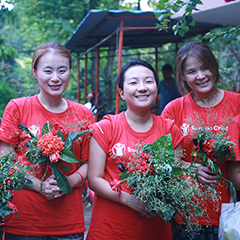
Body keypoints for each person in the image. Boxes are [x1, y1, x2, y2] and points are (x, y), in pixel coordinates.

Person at [0, 42, 94, 240]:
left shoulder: (83, 114)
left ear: (70, 71)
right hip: (23, 222)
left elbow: (88, 163)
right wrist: (38, 185)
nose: (55, 78)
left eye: (62, 70)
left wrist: (68, 181)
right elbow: (4, 163)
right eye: (48, 70)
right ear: (35, 72)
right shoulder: (17, 108)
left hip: (67, 222)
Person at [86, 59, 183, 240]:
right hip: (108, 232)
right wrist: (128, 199)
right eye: (133, 82)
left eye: (148, 81)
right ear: (121, 93)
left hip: (156, 232)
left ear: (156, 87)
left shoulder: (170, 130)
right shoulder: (105, 127)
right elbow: (94, 180)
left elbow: (175, 179)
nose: (142, 87)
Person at [161, 41, 240, 239]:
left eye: (205, 67)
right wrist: (190, 167)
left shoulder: (236, 103)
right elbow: (162, 159)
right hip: (188, 214)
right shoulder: (174, 109)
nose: (201, 76)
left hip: (230, 213)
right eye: (192, 71)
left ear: (214, 67)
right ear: (183, 77)